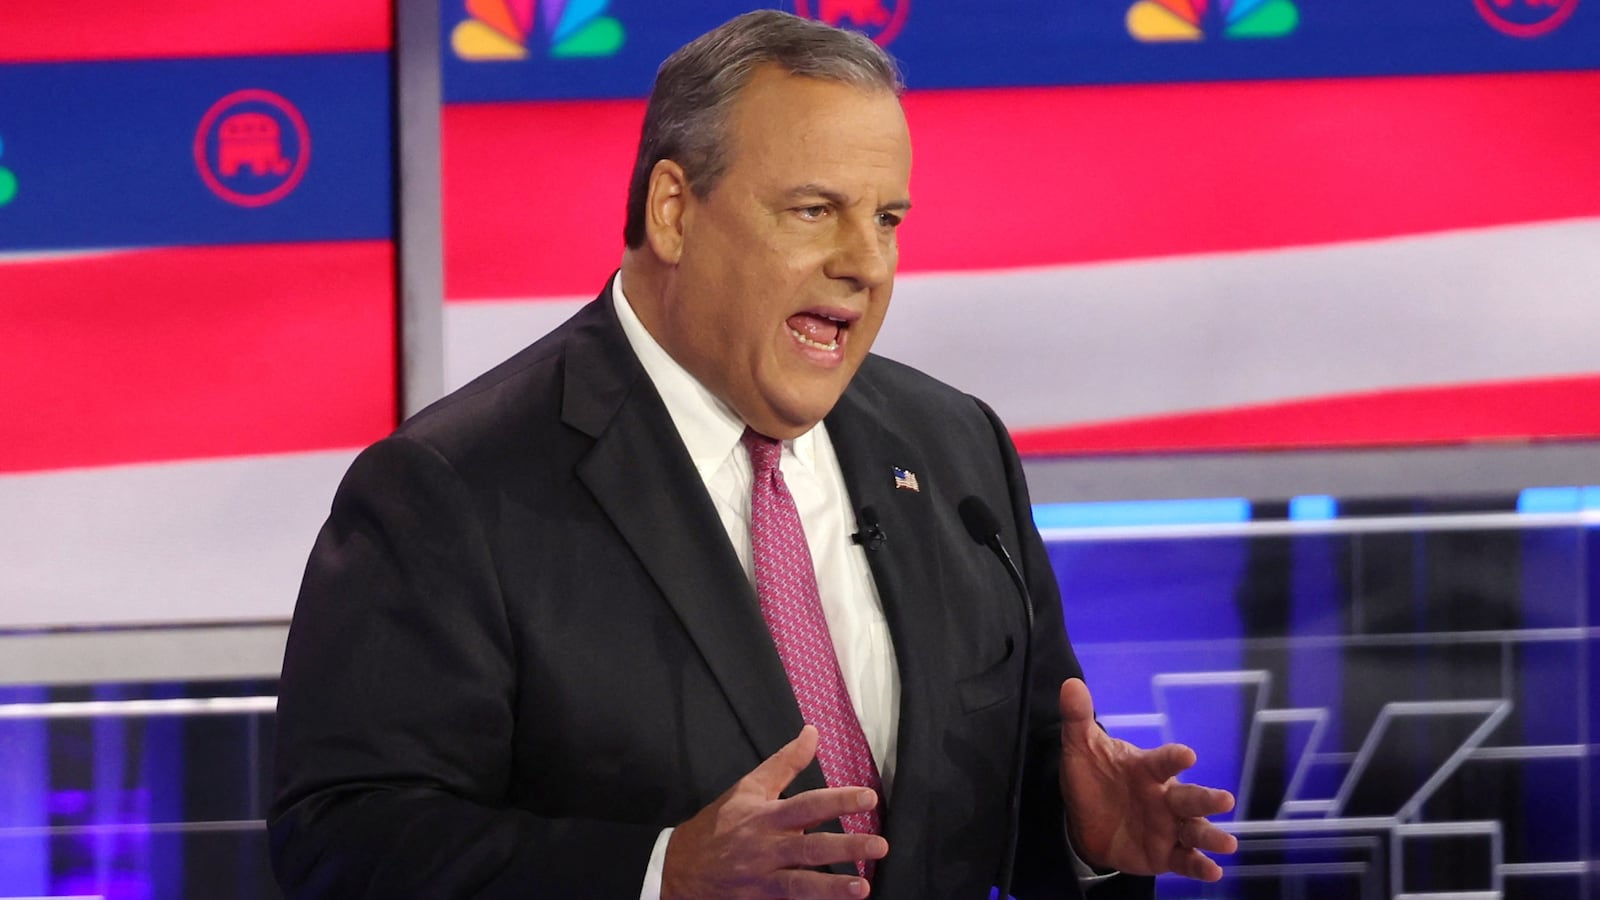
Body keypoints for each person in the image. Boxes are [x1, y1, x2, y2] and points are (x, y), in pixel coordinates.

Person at [270, 10, 1237, 899]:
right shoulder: (449, 491)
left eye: (888, 219)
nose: (865, 261)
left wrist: (1079, 834)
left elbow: (1012, 777)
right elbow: (347, 840)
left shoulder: (955, 450)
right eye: (815, 211)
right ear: (674, 211)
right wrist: (659, 875)